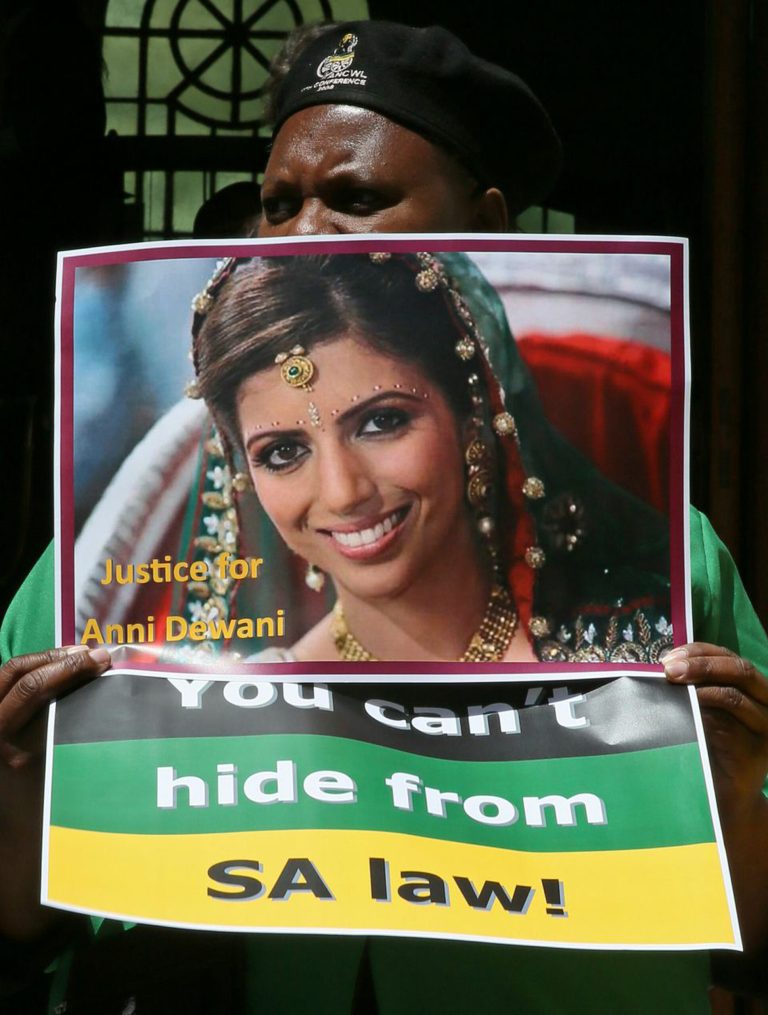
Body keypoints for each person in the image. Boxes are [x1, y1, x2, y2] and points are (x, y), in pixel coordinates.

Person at [1, 18, 767, 1012]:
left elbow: (745, 944)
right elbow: (28, 918)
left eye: (357, 199)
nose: (304, 234)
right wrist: (17, 789)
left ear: (484, 226)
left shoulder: (668, 575)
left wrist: (736, 802)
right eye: (280, 204)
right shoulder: (109, 582)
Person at [188, 249, 673, 665]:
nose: (343, 494)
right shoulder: (253, 713)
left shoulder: (639, 649)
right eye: (283, 452)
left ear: (471, 420)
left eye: (381, 422)